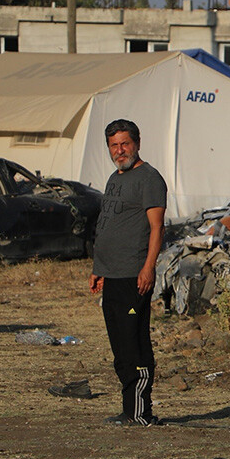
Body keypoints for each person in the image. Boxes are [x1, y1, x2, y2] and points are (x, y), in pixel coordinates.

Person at [89, 119, 167, 426]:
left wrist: (148, 267)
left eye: (125, 143)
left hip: (135, 276)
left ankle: (140, 412)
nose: (119, 150)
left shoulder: (149, 179)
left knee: (134, 343)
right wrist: (99, 268)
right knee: (120, 345)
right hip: (112, 275)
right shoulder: (115, 178)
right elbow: (110, 225)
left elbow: (157, 228)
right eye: (114, 145)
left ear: (137, 143)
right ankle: (129, 410)